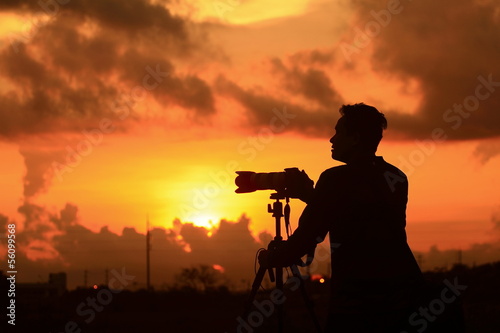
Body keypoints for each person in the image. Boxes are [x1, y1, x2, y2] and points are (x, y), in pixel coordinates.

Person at [258, 103, 425, 332]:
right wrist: (313, 196)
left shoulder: (334, 179)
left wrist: (271, 259)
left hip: (356, 302)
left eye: (338, 132)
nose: (331, 139)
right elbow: (357, 212)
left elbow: (308, 236)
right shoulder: (396, 176)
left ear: (355, 138)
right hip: (403, 297)